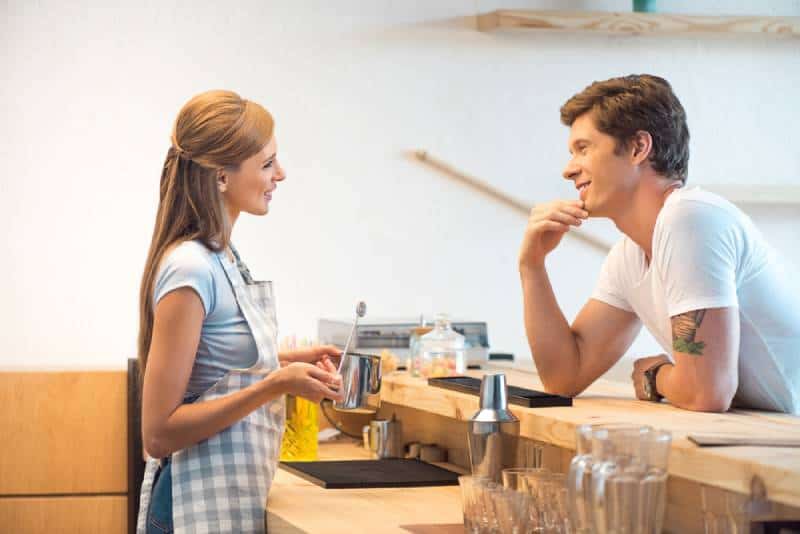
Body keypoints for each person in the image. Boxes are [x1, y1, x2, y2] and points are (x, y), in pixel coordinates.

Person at [518, 74, 800, 414]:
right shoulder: (629, 255)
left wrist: (655, 375)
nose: (568, 170)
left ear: (638, 148)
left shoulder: (688, 218)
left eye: (583, 148)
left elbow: (706, 393)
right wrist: (532, 266)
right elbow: (564, 376)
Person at [136, 90, 344, 533]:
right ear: (220, 177)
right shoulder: (190, 269)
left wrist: (289, 364)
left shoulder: (222, 257)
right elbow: (158, 433)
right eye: (267, 164)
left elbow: (212, 374)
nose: (281, 174)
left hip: (219, 498)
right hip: (188, 504)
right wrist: (273, 384)